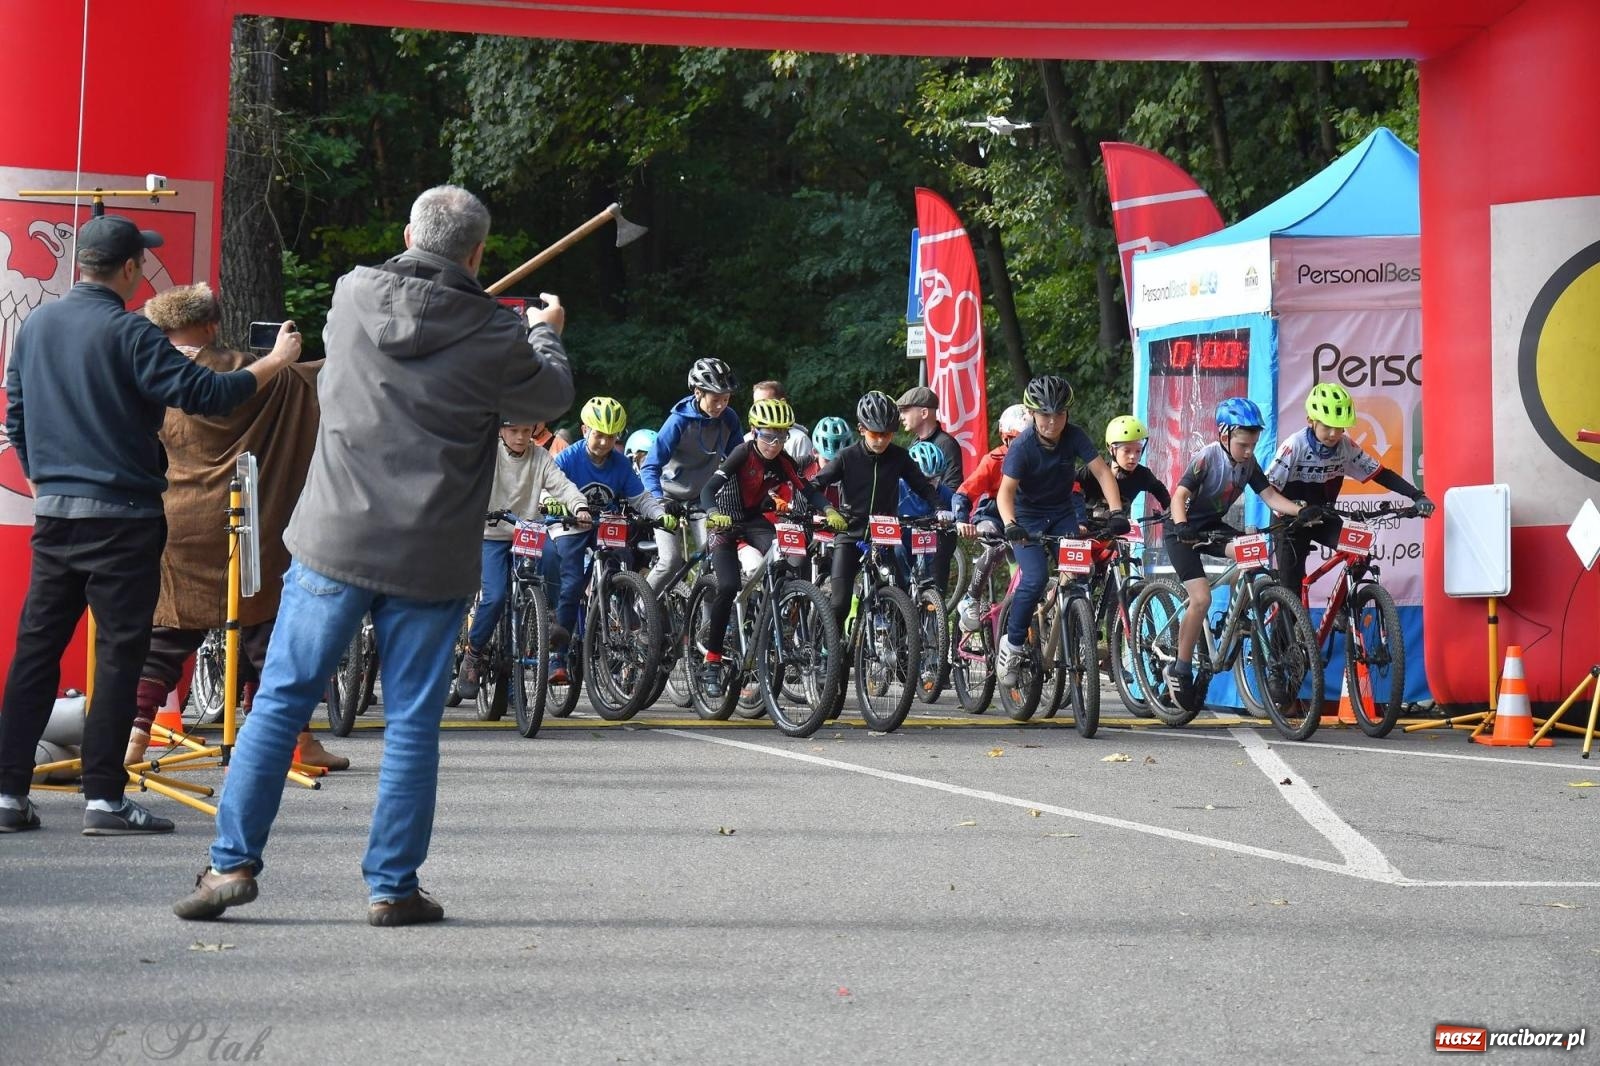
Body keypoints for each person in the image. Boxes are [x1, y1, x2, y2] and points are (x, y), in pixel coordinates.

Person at [172, 185, 574, 925]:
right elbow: (545, 395)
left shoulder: (352, 295)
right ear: (478, 253)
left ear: (406, 230)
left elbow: (409, 312)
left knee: (279, 703)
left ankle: (229, 865)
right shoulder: (495, 332)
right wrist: (546, 330)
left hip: (334, 538)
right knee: (414, 721)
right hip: (431, 554)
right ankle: (391, 886)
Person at [0, 216, 300, 836]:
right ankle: (104, 799)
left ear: (80, 262)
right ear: (133, 269)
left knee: (36, 654)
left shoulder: (37, 326)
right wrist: (275, 361)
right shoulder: (130, 333)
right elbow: (208, 395)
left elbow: (17, 412)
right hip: (125, 522)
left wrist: (41, 483)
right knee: (117, 657)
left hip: (57, 517)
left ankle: (8, 796)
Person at [120, 284, 346, 772]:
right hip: (248, 521)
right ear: (209, 325)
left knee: (168, 636)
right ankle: (295, 744)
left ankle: (133, 742)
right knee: (267, 632)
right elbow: (317, 380)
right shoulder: (257, 372)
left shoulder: (149, 375)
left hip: (176, 519)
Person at [1162, 397, 1309, 714]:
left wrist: (1301, 511)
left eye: (1253, 444)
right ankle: (1181, 668)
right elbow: (1179, 496)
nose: (1248, 451)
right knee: (1200, 598)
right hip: (1181, 531)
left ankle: (1235, 619)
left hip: (1212, 527)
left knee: (1251, 556)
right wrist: (1183, 526)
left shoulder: (1249, 463)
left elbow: (1271, 497)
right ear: (1224, 435)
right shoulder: (1207, 457)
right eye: (1243, 444)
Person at [696, 397, 843, 697]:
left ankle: (773, 623)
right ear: (754, 431)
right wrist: (713, 514)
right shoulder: (742, 453)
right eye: (768, 435)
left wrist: (828, 510)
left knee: (789, 560)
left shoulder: (783, 459)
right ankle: (711, 660)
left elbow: (807, 489)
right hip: (726, 526)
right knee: (728, 586)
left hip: (756, 524)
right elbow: (708, 489)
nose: (774, 443)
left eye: (782, 436)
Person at [994, 375, 1127, 686]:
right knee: (1036, 577)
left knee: (1081, 574)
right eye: (1044, 415)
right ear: (1032, 414)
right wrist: (1011, 524)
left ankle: (1073, 627)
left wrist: (1117, 512)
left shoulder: (1074, 436)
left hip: (1062, 513)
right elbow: (1005, 493)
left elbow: (1102, 472)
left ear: (1067, 414)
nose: (1052, 422)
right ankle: (1012, 645)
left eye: (1058, 415)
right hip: (1027, 517)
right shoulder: (1022, 446)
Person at [454, 420, 593, 700]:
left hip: (527, 532)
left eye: (526, 431)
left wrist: (579, 506)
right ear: (501, 431)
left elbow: (562, 485)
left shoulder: (540, 456)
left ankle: (550, 615)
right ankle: (474, 653)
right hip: (490, 534)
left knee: (554, 555)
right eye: (514, 430)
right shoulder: (487, 453)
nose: (520, 437)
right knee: (493, 598)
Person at [1264, 382, 1434, 597]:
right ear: (1311, 421)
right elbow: (1268, 490)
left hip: (1322, 516)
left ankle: (1344, 610)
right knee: (1291, 594)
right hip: (1288, 521)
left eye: (1340, 427)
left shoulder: (1346, 447)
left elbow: (1381, 474)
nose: (1334, 434)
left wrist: (1416, 494)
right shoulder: (1294, 446)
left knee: (1360, 552)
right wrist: (1295, 510)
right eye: (1327, 426)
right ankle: (1287, 627)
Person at [552, 397, 671, 684]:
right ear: (585, 431)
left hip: (605, 526)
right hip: (571, 524)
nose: (605, 442)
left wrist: (659, 514)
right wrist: (555, 504)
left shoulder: (619, 464)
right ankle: (558, 655)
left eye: (612, 436)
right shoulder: (569, 457)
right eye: (599, 434)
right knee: (570, 583)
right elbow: (548, 483)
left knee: (623, 566)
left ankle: (623, 618)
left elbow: (639, 496)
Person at [812, 391, 948, 637]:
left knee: (901, 596)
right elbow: (815, 485)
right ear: (862, 429)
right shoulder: (847, 457)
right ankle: (826, 652)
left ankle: (903, 650)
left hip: (885, 537)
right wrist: (827, 509)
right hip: (850, 535)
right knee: (840, 601)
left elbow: (922, 485)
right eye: (875, 434)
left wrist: (939, 508)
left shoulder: (899, 457)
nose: (881, 441)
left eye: (887, 434)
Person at [641, 357, 742, 593]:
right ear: (698, 392)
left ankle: (703, 625)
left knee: (714, 559)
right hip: (667, 497)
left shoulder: (729, 419)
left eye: (726, 399)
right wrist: (659, 501)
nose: (721, 406)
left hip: (703, 499)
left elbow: (739, 460)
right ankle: (642, 608)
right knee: (671, 560)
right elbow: (649, 466)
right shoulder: (678, 421)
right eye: (715, 399)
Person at [952, 402, 1029, 631]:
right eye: (1015, 440)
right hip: (993, 516)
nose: (1022, 448)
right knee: (995, 544)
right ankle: (971, 598)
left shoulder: (1040, 462)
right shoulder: (994, 460)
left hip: (1024, 519)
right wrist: (961, 520)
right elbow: (964, 494)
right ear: (1005, 438)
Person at [895, 386, 962, 592]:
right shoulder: (915, 444)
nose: (901, 416)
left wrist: (941, 514)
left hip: (937, 526)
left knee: (933, 584)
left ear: (924, 413)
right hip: (913, 525)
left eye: (906, 410)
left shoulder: (946, 444)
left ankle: (937, 620)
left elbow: (951, 487)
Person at [1077, 415, 1171, 525]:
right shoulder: (1092, 471)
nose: (1133, 456)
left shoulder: (1142, 475)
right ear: (1111, 449)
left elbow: (1160, 490)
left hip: (1116, 531)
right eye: (1127, 451)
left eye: (1138, 451)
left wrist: (1171, 510)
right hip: (1085, 530)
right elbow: (1067, 483)